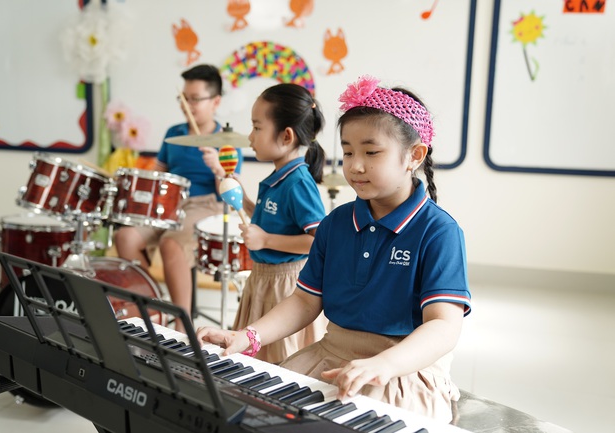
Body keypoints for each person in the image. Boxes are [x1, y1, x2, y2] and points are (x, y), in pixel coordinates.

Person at [197, 75, 472, 422]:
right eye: (347, 151)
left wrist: (385, 364)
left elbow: (444, 327)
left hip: (400, 371)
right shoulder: (336, 223)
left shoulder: (439, 232)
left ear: (414, 156)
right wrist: (250, 336)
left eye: (371, 152)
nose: (355, 165)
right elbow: (305, 301)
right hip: (328, 357)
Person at [114, 64, 243, 323]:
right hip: (168, 203)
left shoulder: (227, 140)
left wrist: (218, 167)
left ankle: (183, 327)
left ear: (215, 101)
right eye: (183, 98)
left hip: (205, 205)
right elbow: (158, 172)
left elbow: (233, 191)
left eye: (195, 99)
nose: (187, 104)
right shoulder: (173, 133)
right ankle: (150, 308)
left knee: (170, 243)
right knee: (125, 238)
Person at [227, 83, 329, 364]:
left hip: (283, 284)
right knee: (252, 359)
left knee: (277, 363)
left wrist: (266, 241)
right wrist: (244, 201)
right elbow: (271, 221)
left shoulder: (297, 183)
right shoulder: (279, 176)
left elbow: (317, 241)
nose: (250, 137)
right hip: (263, 279)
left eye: (257, 128)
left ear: (286, 136)